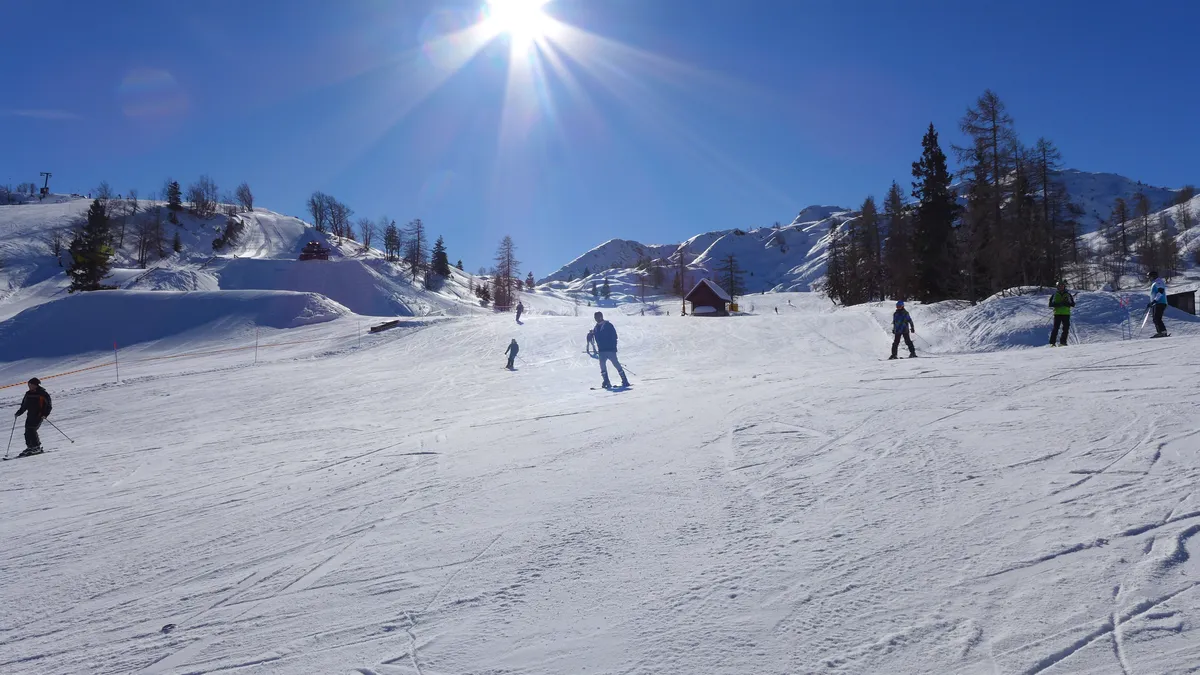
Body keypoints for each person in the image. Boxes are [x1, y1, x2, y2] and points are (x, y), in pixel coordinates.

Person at [14, 378, 52, 457]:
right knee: (27, 431)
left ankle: (36, 447)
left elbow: (48, 405)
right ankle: (30, 447)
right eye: (28, 385)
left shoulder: (42, 393)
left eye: (30, 384)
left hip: (39, 415)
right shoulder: (28, 394)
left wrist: (45, 414)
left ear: (35, 385)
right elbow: (24, 405)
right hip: (30, 415)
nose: (29, 386)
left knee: (32, 430)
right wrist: (19, 412)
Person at [592, 311, 629, 389]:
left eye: (598, 317)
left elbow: (614, 336)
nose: (597, 319)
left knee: (616, 364)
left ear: (601, 317)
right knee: (602, 365)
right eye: (595, 318)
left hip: (610, 349)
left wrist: (613, 347)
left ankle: (624, 380)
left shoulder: (608, 325)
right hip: (601, 350)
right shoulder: (596, 327)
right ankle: (606, 381)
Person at [1048, 281, 1075, 346]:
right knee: (1055, 328)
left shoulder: (1068, 295)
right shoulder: (1054, 295)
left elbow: (1073, 304)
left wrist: (1067, 303)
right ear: (1057, 287)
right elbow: (1050, 304)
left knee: (1066, 328)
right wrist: (1058, 304)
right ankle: (1052, 343)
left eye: (1062, 286)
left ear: (1064, 286)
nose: (1061, 287)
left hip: (1066, 314)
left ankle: (1063, 342)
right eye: (1059, 286)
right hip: (1057, 314)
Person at [1148, 272, 1168, 337]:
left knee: (1157, 318)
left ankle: (1162, 332)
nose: (1149, 278)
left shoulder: (1158, 282)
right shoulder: (1154, 283)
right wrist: (1151, 302)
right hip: (1156, 303)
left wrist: (1155, 300)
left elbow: (1160, 291)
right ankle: (1160, 332)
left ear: (1154, 276)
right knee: (1155, 318)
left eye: (1150, 276)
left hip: (1160, 302)